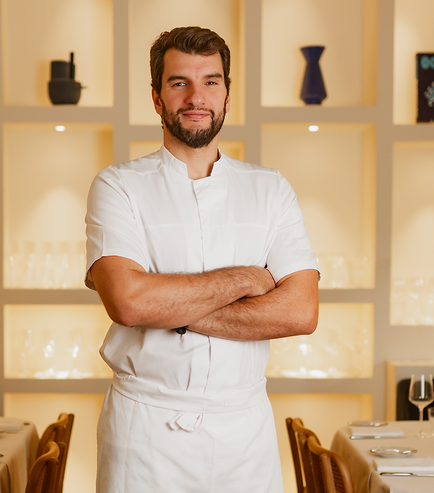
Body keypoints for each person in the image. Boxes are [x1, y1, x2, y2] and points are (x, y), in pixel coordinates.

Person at [85, 26, 319, 492]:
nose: (197, 96)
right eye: (179, 83)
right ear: (156, 98)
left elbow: (301, 311)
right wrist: (247, 278)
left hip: (245, 437)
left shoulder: (270, 188)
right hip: (145, 436)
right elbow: (129, 304)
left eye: (211, 81)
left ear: (227, 96)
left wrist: (172, 307)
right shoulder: (117, 186)